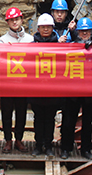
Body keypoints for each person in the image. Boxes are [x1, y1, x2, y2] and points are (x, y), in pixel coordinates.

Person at [60, 17, 92, 160]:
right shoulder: (70, 46)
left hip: (89, 90)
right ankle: (66, 148)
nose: (84, 34)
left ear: (91, 32)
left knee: (87, 122)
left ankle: (86, 149)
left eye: (87, 31)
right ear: (77, 32)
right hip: (73, 90)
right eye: (82, 31)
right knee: (68, 121)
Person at [0, 7, 34, 152]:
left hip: (23, 84)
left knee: (21, 112)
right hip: (7, 84)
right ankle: (8, 140)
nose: (14, 22)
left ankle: (19, 139)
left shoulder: (30, 40)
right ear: (7, 22)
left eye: (17, 19)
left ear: (22, 20)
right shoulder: (2, 40)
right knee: (6, 113)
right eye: (11, 20)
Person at [29, 13, 62, 157]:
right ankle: (38, 145)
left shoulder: (60, 47)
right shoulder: (31, 47)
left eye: (48, 27)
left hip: (53, 89)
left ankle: (48, 145)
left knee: (50, 119)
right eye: (43, 27)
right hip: (36, 89)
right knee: (38, 118)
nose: (46, 29)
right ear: (38, 29)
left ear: (53, 28)